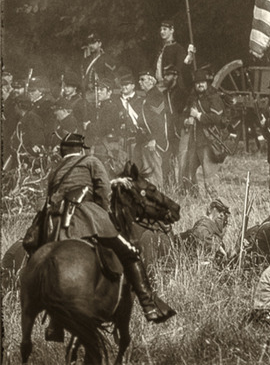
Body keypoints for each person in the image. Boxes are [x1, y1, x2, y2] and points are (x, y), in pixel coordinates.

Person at [25, 133, 175, 341]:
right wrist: (103, 213)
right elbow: (104, 192)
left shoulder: (55, 169)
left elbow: (50, 196)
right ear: (81, 149)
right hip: (87, 217)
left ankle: (54, 323)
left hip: (58, 224)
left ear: (63, 152)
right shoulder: (91, 161)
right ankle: (148, 304)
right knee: (130, 252)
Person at [180, 68, 226, 196]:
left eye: (203, 82)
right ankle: (193, 197)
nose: (200, 85)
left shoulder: (213, 97)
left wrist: (198, 115)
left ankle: (214, 201)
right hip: (194, 141)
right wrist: (186, 121)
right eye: (197, 83)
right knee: (188, 171)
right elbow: (183, 114)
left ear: (207, 83)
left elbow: (217, 118)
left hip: (208, 141)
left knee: (209, 175)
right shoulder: (192, 98)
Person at [137, 71, 170, 188]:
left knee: (155, 170)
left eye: (142, 79)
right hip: (147, 139)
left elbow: (159, 120)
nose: (139, 82)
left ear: (151, 81)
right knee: (150, 171)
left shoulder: (156, 96)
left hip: (154, 140)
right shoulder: (150, 95)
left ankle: (159, 194)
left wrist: (153, 139)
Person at [155, 20, 195, 88]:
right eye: (161, 29)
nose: (162, 32)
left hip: (172, 86)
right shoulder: (161, 48)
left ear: (172, 30)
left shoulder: (178, 48)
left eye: (165, 29)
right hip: (159, 85)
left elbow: (180, 68)